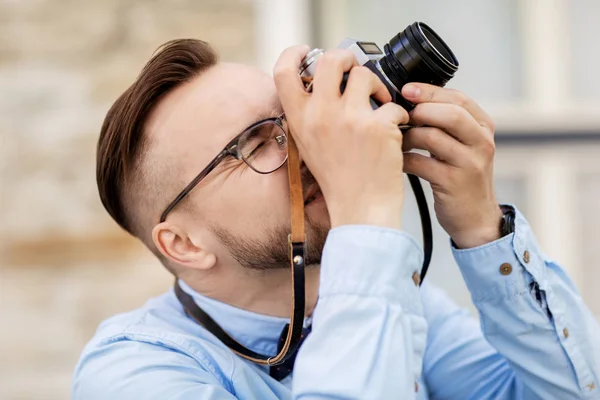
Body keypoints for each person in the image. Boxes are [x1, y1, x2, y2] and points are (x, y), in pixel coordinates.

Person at [72, 39, 600, 399]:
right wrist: (363, 220)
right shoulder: (132, 373)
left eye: (294, 116)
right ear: (183, 244)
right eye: (257, 142)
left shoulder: (401, 302)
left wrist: (481, 227)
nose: (308, 146)